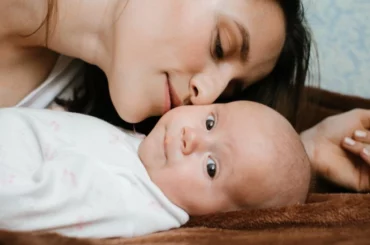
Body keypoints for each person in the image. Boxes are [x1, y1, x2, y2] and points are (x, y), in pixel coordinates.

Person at [0, 0, 368, 192]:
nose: (206, 95)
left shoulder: (73, 132)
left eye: (231, 90)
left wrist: (304, 157)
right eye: (221, 45)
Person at [0, 101, 311, 238]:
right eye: (210, 122)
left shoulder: (129, 203)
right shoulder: (144, 155)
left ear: (218, 217)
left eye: (212, 167)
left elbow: (23, 205)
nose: (193, 138)